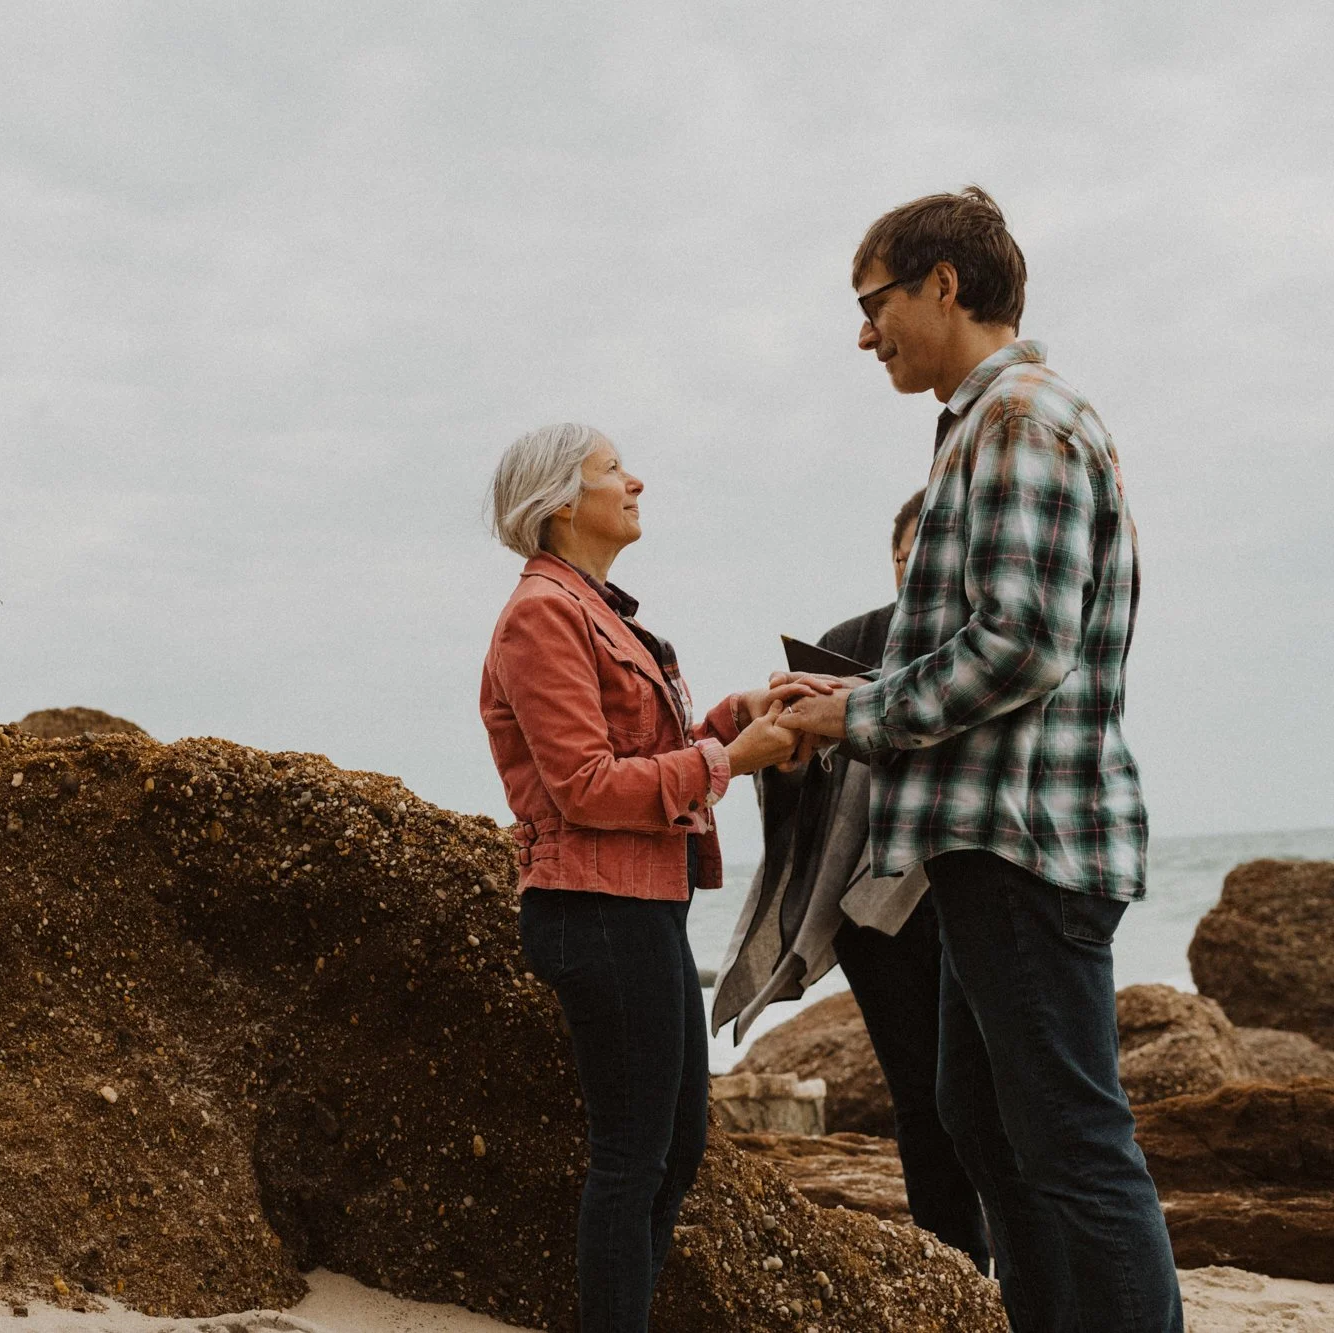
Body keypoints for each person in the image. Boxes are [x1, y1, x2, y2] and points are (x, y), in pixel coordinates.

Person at [777, 187, 1180, 1331]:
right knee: (983, 1118)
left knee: (1070, 1143)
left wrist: (851, 720)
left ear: (941, 284)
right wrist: (845, 692)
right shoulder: (988, 423)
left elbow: (1019, 644)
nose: (864, 334)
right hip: (994, 838)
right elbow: (993, 640)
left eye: (872, 302)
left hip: (1025, 841)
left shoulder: (1018, 421)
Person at [479, 423, 806, 1333]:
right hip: (591, 907)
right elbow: (584, 785)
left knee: (674, 1148)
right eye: (613, 470)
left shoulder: (597, 609)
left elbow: (648, 748)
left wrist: (737, 715)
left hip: (643, 905)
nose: (638, 482)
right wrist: (728, 760)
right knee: (633, 1154)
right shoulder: (542, 614)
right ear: (558, 506)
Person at [712, 488, 989, 1271]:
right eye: (902, 558)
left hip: (973, 887)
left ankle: (1015, 1260)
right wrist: (797, 735)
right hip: (875, 909)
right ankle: (955, 1263)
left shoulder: (980, 649)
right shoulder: (850, 639)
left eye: (927, 556)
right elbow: (806, 795)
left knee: (988, 1096)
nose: (913, 570)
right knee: (920, 1095)